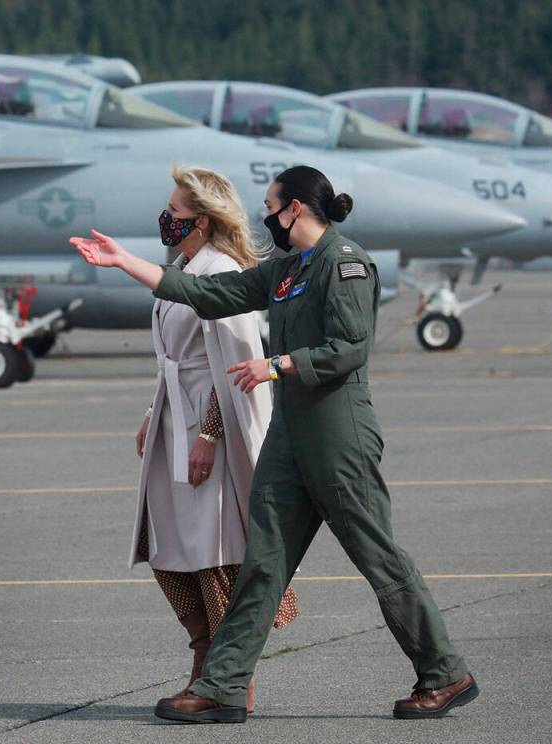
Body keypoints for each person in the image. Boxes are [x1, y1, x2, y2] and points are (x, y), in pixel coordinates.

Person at [71, 165, 476, 724]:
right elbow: (209, 294)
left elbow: (350, 347)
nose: (265, 217)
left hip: (337, 436)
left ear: (295, 209)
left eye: (270, 207)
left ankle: (444, 672)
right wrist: (125, 262)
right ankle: (223, 685)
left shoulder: (345, 263)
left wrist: (277, 365)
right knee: (263, 564)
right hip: (289, 436)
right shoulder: (287, 269)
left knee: (378, 557)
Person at [109, 165, 298, 715]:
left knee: (215, 548)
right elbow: (173, 359)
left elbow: (234, 364)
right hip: (175, 418)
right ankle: (203, 662)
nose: (165, 219)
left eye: (175, 212)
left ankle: (229, 681)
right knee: (169, 547)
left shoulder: (223, 270)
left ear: (202, 220)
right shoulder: (183, 266)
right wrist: (154, 411)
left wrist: (210, 434)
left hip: (209, 428)